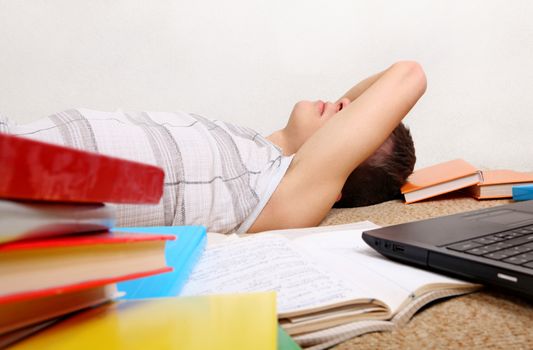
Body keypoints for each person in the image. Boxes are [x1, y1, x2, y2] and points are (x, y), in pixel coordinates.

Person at [0, 61, 426, 234]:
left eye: (349, 118)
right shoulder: (246, 143)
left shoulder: (281, 192)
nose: (343, 103)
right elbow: (363, 92)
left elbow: (408, 75)